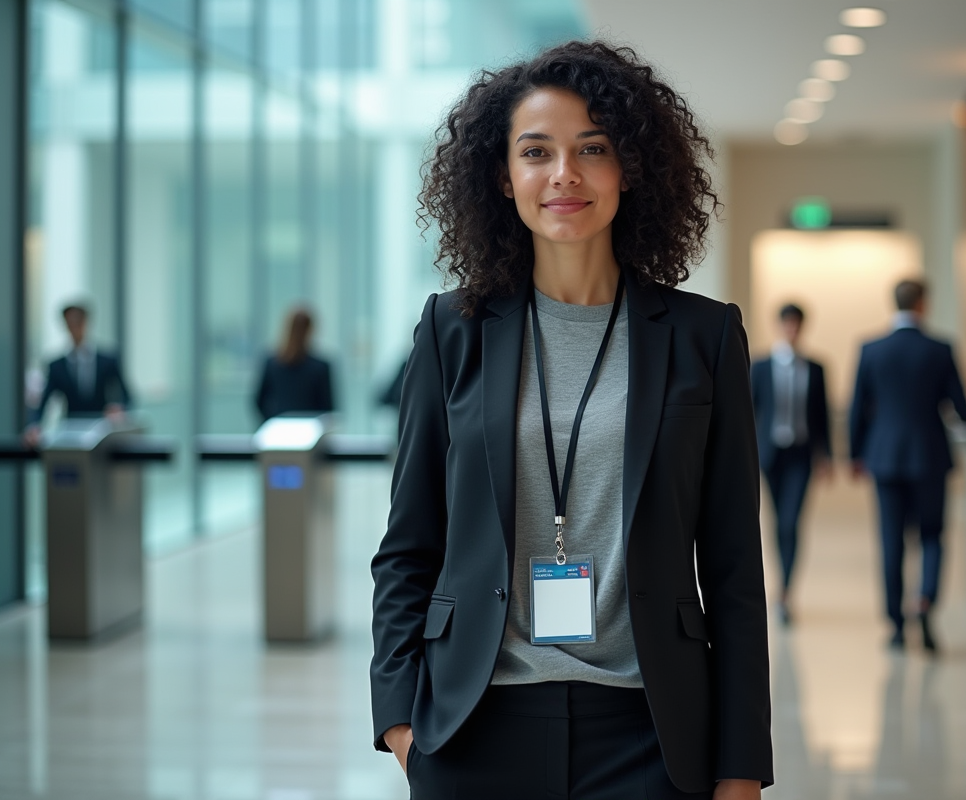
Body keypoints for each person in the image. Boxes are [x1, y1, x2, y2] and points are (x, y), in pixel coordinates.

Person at [369, 41, 772, 800]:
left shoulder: (704, 336)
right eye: (536, 152)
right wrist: (398, 720)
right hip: (474, 726)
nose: (565, 174)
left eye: (593, 148)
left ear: (631, 167)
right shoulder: (452, 330)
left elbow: (733, 567)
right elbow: (409, 543)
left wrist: (742, 762)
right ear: (503, 175)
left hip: (650, 733)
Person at [848, 279, 966, 653]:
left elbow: (857, 408)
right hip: (930, 456)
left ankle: (896, 625)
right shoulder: (940, 349)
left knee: (891, 540)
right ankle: (925, 602)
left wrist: (855, 456)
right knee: (932, 535)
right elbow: (962, 409)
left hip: (884, 457)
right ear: (922, 304)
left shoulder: (871, 349)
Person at [750, 303, 830, 625]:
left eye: (797, 324)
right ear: (780, 326)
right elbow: (748, 411)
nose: (792, 330)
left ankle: (785, 590)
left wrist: (826, 457)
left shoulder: (816, 368)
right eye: (788, 324)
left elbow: (822, 415)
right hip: (770, 455)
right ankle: (780, 584)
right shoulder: (761, 366)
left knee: (790, 521)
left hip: (801, 454)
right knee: (776, 520)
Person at [25, 303, 133, 444]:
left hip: (102, 429)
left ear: (85, 322)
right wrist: (34, 426)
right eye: (70, 322)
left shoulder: (107, 361)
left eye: (78, 321)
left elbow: (126, 395)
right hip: (71, 431)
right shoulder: (57, 366)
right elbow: (44, 402)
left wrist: (119, 409)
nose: (74, 327)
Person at [253, 307, 334, 422]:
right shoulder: (320, 367)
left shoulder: (272, 364)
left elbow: (259, 402)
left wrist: (272, 422)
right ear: (310, 331)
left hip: (279, 427)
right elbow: (327, 409)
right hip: (309, 428)